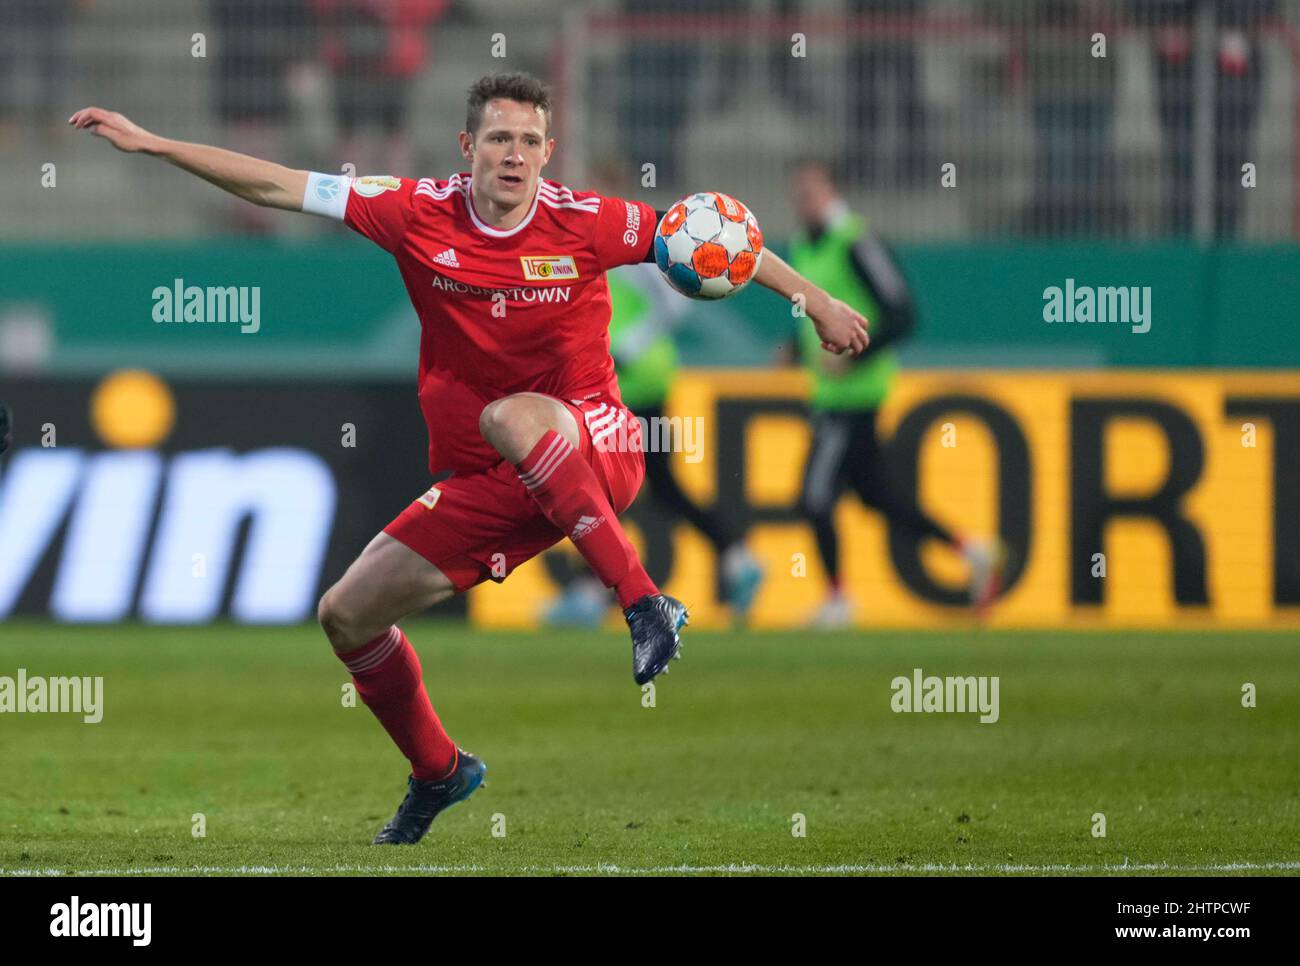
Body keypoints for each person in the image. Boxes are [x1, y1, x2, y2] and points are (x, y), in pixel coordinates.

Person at [69, 72, 869, 845]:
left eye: (529, 140)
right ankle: (439, 771)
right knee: (346, 614)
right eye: (499, 139)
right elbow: (279, 185)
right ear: (467, 146)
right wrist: (154, 144)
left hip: (599, 440)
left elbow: (723, 241)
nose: (514, 154)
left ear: (548, 151)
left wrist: (821, 302)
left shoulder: (588, 220)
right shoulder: (413, 212)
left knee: (510, 414)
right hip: (501, 476)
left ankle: (643, 603)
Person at [543, 162, 765, 627]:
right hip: (614, 379)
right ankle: (737, 558)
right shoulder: (588, 242)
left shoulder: (627, 246)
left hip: (637, 377)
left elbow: (675, 301)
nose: (590, 198)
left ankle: (590, 590)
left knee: (601, 483)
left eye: (598, 189)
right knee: (657, 485)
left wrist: (629, 346)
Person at [784, 159, 1004, 627]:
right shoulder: (805, 247)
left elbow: (902, 314)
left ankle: (838, 600)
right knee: (880, 496)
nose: (804, 203)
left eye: (813, 192)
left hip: (855, 396)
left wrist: (855, 358)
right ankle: (973, 552)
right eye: (798, 194)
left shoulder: (857, 242)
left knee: (814, 496)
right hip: (829, 394)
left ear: (834, 192)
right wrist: (794, 350)